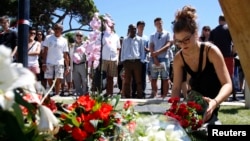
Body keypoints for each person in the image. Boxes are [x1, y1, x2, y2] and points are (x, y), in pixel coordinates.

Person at [171, 5, 232, 125]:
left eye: (186, 40)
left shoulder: (211, 51)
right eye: (179, 42)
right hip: (194, 100)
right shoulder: (179, 58)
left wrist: (215, 102)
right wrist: (174, 108)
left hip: (214, 99)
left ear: (196, 34)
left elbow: (228, 84)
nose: (183, 45)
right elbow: (176, 88)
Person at [209, 15, 236, 100]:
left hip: (217, 56)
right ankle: (233, 95)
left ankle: (219, 95)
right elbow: (234, 42)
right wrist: (233, 52)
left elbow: (210, 44)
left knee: (217, 75)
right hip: (228, 55)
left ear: (219, 20)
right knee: (230, 75)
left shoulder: (214, 30)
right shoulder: (229, 29)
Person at [42, 23, 70, 96]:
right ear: (53, 29)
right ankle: (54, 90)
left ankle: (57, 96)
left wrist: (67, 66)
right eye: (55, 28)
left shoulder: (64, 40)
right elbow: (45, 51)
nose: (57, 30)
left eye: (59, 29)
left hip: (59, 62)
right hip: (49, 62)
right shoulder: (48, 38)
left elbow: (65, 54)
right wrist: (44, 63)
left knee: (58, 80)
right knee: (49, 79)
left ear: (61, 30)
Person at [149, 17, 172, 98]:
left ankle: (164, 95)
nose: (159, 24)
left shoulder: (167, 33)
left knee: (165, 78)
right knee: (154, 78)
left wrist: (158, 52)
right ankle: (155, 94)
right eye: (157, 23)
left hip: (164, 59)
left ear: (162, 23)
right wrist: (154, 57)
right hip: (155, 59)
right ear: (155, 24)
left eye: (160, 23)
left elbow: (168, 44)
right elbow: (151, 46)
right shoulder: (152, 35)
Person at [120, 24, 145, 98]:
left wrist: (142, 61)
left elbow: (142, 51)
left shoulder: (140, 39)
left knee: (138, 81)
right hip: (127, 62)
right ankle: (128, 96)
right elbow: (123, 51)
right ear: (129, 29)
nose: (133, 30)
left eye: (134, 29)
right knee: (127, 81)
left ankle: (140, 96)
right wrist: (123, 60)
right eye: (131, 29)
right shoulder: (125, 39)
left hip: (137, 62)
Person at [100, 24, 121, 96]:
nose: (111, 27)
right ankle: (102, 92)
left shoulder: (116, 36)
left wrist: (117, 58)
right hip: (104, 58)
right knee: (103, 76)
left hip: (113, 58)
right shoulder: (102, 34)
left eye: (112, 26)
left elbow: (118, 48)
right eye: (109, 26)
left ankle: (110, 93)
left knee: (111, 77)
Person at [131, 21, 149, 98]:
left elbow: (149, 49)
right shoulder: (133, 37)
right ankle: (134, 91)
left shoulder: (146, 38)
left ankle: (142, 91)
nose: (142, 28)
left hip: (144, 60)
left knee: (143, 77)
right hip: (135, 60)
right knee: (134, 77)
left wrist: (146, 49)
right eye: (141, 26)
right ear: (137, 27)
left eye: (143, 26)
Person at [70, 31, 88, 95]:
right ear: (75, 36)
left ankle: (85, 92)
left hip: (83, 64)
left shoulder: (85, 44)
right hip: (74, 65)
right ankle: (78, 92)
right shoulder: (72, 45)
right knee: (76, 80)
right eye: (77, 35)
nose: (79, 37)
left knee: (84, 79)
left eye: (81, 36)